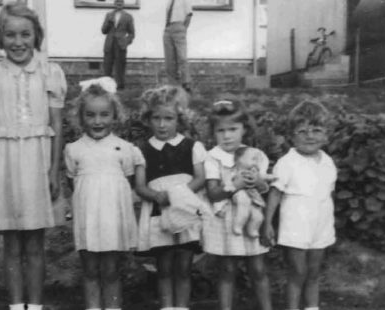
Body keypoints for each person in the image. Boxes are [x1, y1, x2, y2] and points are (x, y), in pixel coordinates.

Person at [0, 2, 67, 310]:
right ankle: (16, 305)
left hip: (38, 163)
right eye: (10, 35)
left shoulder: (50, 72)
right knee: (11, 243)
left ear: (36, 36)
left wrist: (54, 171)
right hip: (5, 165)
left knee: (35, 243)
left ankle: (36, 305)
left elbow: (57, 125)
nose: (18, 42)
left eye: (25, 34)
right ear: (0, 38)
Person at [64, 76, 142, 310]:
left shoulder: (124, 148)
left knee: (111, 271)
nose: (97, 121)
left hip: (112, 219)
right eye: (90, 115)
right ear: (81, 117)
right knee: (89, 270)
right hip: (88, 218)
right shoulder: (74, 149)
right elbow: (73, 183)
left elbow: (127, 182)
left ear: (114, 115)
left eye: (104, 115)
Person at [135, 85, 207, 310]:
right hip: (160, 212)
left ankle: (182, 306)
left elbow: (200, 178)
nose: (162, 124)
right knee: (164, 267)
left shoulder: (192, 147)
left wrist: (180, 195)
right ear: (148, 119)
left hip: (185, 210)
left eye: (169, 118)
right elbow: (139, 185)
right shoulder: (143, 150)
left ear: (180, 119)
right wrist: (156, 196)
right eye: (156, 118)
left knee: (184, 266)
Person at [263, 100, 337, 310]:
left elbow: (327, 193)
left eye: (316, 130)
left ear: (326, 135)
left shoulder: (327, 162)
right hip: (295, 226)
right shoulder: (288, 162)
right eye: (302, 131)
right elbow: (275, 193)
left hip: (320, 226)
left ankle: (312, 307)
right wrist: (268, 223)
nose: (310, 136)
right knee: (297, 273)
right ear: (292, 136)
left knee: (314, 272)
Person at [202, 97, 273, 310]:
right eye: (220, 131)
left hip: (251, 217)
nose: (227, 135)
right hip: (225, 220)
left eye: (233, 129)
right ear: (213, 133)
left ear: (244, 129)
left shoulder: (255, 155)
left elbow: (264, 189)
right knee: (227, 270)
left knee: (258, 269)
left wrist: (258, 181)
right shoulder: (212, 158)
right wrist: (235, 185)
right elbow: (213, 194)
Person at [163, 0, 193, 93]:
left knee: (182, 57)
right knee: (169, 59)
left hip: (179, 28)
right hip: (168, 29)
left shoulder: (184, 0)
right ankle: (173, 85)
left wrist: (183, 29)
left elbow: (189, 15)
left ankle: (186, 83)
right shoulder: (169, 2)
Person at [101, 0, 135, 90]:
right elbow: (103, 31)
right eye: (117, 1)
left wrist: (126, 42)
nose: (119, 3)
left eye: (121, 1)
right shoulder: (109, 15)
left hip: (120, 45)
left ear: (123, 3)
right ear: (114, 3)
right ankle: (106, 88)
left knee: (120, 67)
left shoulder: (128, 17)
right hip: (109, 44)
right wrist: (108, 23)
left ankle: (120, 88)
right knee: (107, 66)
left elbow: (132, 34)